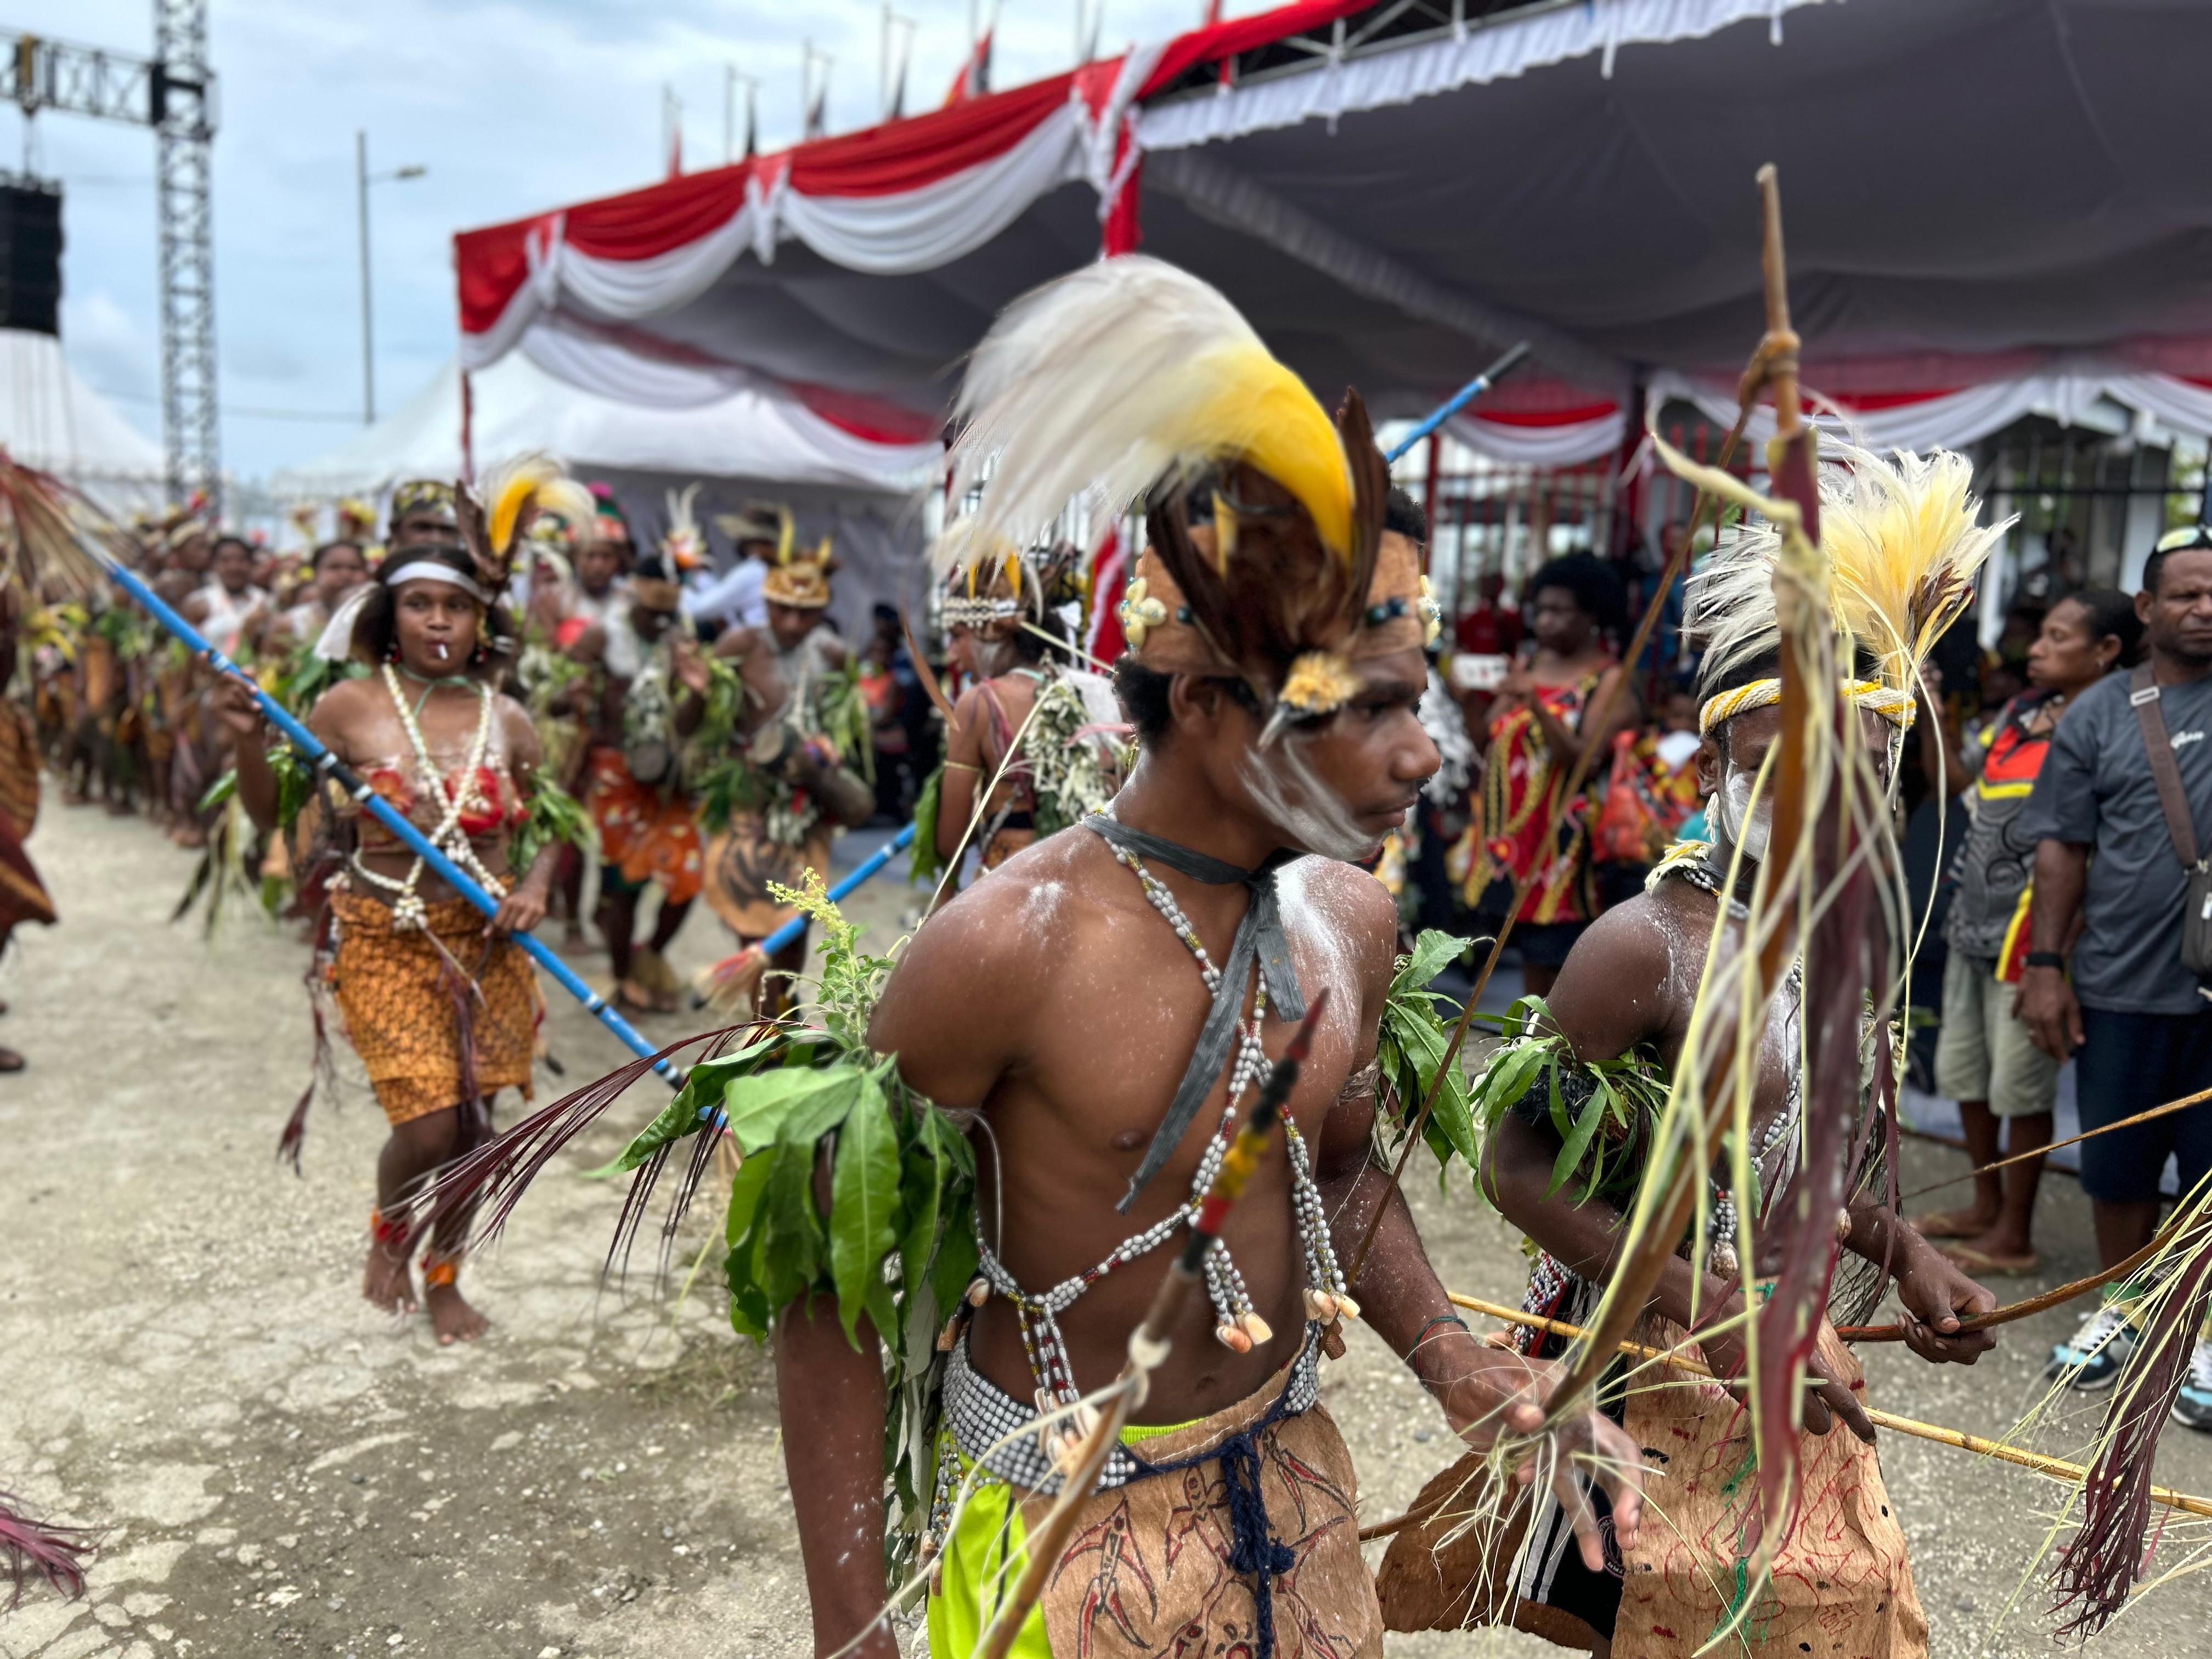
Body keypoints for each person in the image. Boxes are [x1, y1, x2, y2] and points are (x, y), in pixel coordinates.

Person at [771, 257, 1640, 1656]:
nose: (1420, 758)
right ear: (1205, 706)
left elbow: (1340, 1168)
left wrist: (1447, 1354)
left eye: (1414, 707)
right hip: (1063, 1533)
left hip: (1292, 1490)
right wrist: (852, 1624)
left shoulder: (1348, 920)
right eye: (1361, 712)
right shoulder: (1006, 947)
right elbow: (833, 1287)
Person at [1413, 445, 2004, 1656]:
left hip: (1796, 1360)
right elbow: (1516, 1171)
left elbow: (1806, 1156)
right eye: (1794, 764)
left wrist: (1905, 1253)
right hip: (1649, 1363)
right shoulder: (1645, 946)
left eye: (1873, 763)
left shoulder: (1839, 937)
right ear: (1730, 759)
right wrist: (1709, 1307)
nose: (1840, 793)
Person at [222, 461, 588, 1343]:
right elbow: (272, 814)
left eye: (454, 607)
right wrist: (248, 745)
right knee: (429, 1127)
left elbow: (559, 831)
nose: (438, 620)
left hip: (489, 943)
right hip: (385, 934)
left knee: (477, 1128)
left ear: (478, 622)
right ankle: (392, 1231)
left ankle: (446, 1273)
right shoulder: (345, 707)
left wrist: (534, 887)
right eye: (420, 604)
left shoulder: (510, 718)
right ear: (392, 616)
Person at [2020, 528, 2212, 1420]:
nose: (2203, 607)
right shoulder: (2100, 711)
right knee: (2118, 1166)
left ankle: (2205, 1339)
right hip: (2123, 981)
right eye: (2184, 593)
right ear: (2144, 609)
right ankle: (2126, 1308)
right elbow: (2060, 845)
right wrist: (2047, 966)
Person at [1915, 589, 2142, 1276]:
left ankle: (2015, 1234)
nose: (2035, 649)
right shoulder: (2019, 714)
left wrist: (2059, 949)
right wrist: (1929, 711)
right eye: (2039, 635)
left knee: (2022, 1088)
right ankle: (1986, 1208)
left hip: (2033, 937)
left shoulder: (2118, 724)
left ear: (2105, 651)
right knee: (1969, 1073)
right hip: (1974, 921)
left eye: (2055, 637)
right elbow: (1957, 785)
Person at [697, 535, 874, 1011]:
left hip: (804, 808)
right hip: (747, 804)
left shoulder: (834, 656)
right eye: (782, 610)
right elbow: (705, 724)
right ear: (767, 603)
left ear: (823, 611)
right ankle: (764, 1027)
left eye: (807, 613)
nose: (793, 623)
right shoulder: (740, 644)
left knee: (798, 920)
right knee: (751, 918)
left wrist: (829, 757)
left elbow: (851, 738)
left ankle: (782, 1018)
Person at [1454, 552, 1638, 996]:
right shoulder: (1532, 664)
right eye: (1542, 610)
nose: (1546, 621)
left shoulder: (1609, 679)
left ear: (1591, 615)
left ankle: (1539, 1051)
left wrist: (1535, 702)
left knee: (1553, 969)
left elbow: (1583, 758)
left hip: (1564, 851)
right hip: (1510, 847)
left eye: (1560, 611)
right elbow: (1487, 744)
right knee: (1509, 959)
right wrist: (1468, 702)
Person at [919, 543, 1122, 884]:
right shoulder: (1097, 690)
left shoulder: (979, 704)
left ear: (989, 630)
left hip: (1013, 892)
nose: (953, 656)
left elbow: (948, 844)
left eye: (958, 637)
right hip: (1093, 882)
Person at [567, 552, 709, 1012]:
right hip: (615, 776)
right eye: (651, 613)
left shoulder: (678, 644)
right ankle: (623, 977)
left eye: (667, 614)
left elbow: (687, 725)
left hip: (667, 781)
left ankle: (650, 957)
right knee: (622, 882)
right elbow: (560, 701)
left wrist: (699, 691)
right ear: (633, 599)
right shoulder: (600, 636)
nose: (659, 622)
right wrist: (572, 701)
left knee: (687, 874)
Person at [682, 499, 784, 633]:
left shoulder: (753, 572)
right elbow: (723, 597)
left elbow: (696, 610)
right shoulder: (766, 570)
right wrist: (701, 575)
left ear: (749, 540)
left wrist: (678, 580)